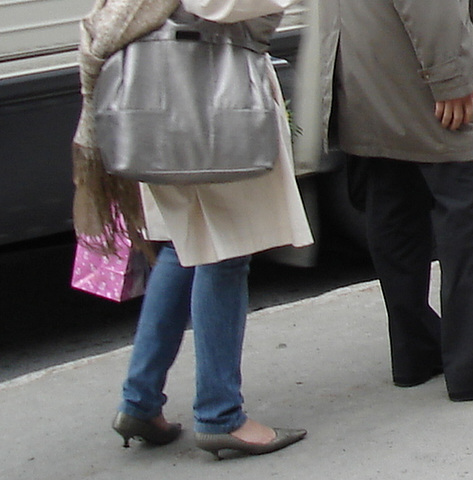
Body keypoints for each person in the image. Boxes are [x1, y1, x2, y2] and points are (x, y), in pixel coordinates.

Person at [72, 0, 313, 459]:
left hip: (161, 104)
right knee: (225, 253)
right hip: (208, 109)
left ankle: (140, 401)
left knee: (181, 250)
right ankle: (221, 415)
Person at [309, 0, 473, 401]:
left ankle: (414, 348)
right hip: (415, 68)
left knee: (393, 202)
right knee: (471, 203)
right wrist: (451, 76)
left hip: (363, 61)